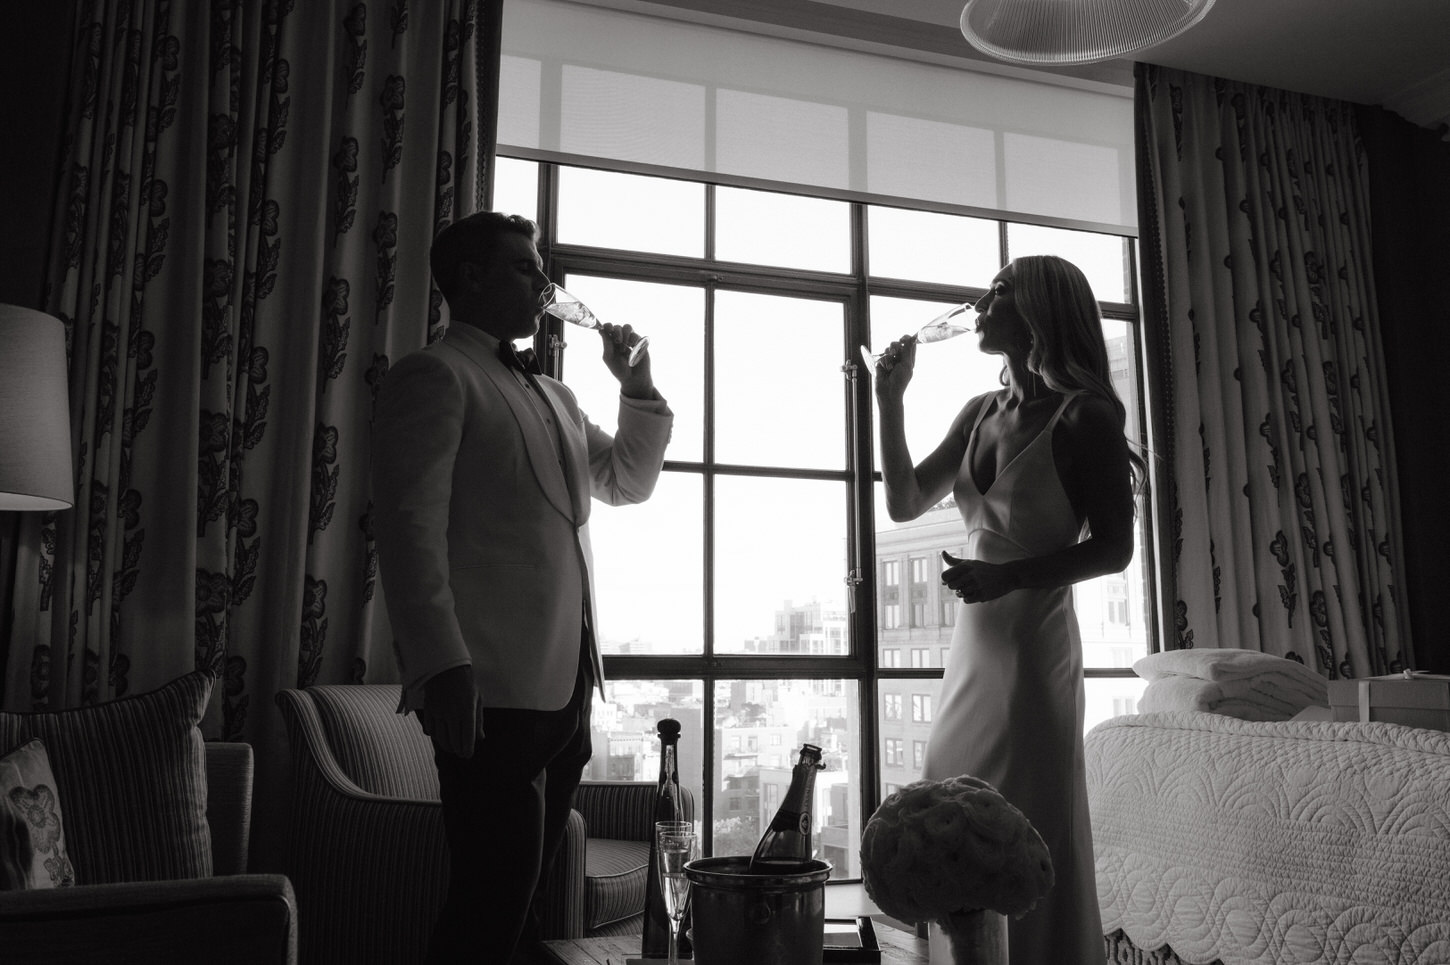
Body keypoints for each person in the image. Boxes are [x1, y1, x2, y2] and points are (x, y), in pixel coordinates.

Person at [371, 211, 673, 964]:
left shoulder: (557, 396)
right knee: (489, 900)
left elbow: (629, 482)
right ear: (469, 277)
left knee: (524, 898)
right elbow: (409, 530)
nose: (543, 283)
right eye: (522, 267)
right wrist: (441, 664)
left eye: (539, 270)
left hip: (567, 686)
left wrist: (635, 387)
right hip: (489, 688)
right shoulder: (435, 374)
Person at [872, 254, 1143, 965]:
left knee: (1022, 840)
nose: (980, 303)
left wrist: (1009, 576)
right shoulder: (978, 414)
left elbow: (1115, 549)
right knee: (948, 834)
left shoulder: (1085, 416)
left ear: (1038, 312)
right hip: (972, 661)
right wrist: (889, 401)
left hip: (1033, 662)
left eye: (998, 291)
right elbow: (903, 501)